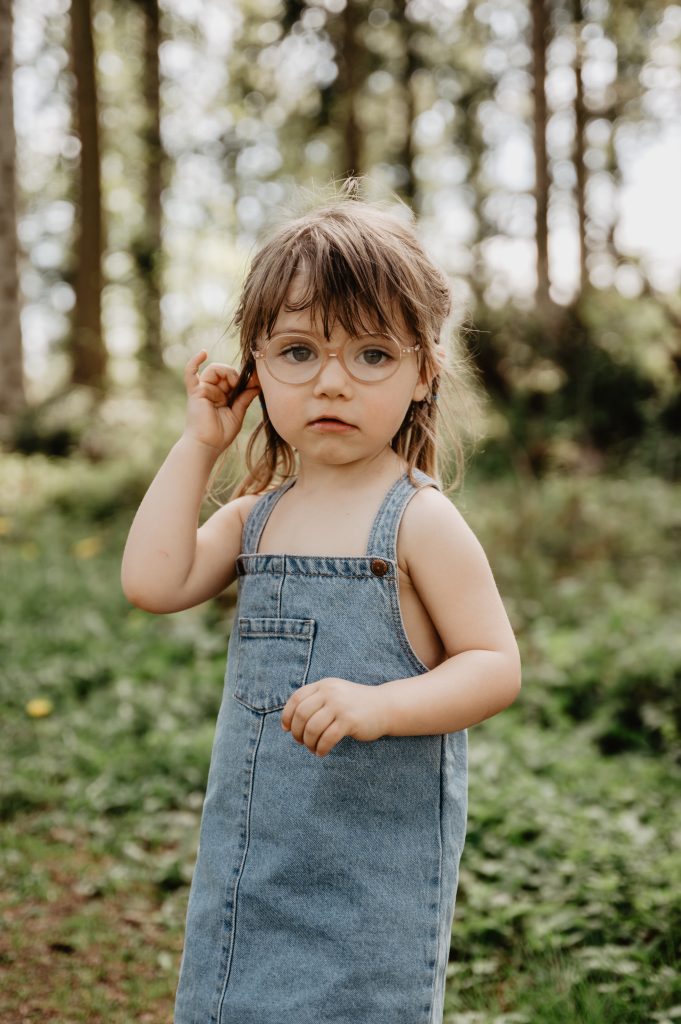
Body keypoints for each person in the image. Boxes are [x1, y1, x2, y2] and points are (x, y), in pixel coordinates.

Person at [121, 184, 521, 1024]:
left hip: (369, 878)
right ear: (254, 368)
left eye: (371, 355)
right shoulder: (256, 516)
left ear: (422, 374)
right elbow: (154, 583)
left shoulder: (419, 521)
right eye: (297, 352)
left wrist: (379, 703)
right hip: (253, 863)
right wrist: (199, 446)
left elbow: (492, 667)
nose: (331, 382)